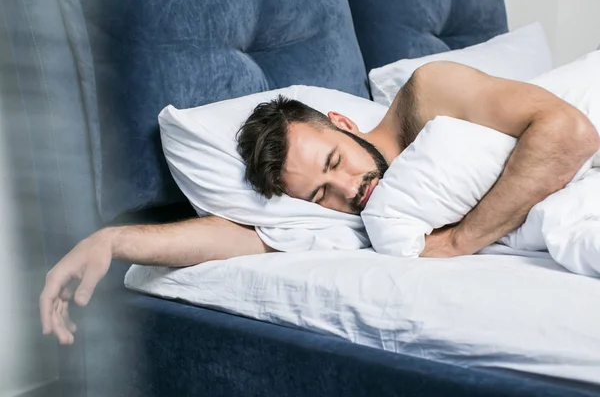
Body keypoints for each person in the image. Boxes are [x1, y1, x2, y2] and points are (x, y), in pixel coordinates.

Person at [40, 61, 600, 344]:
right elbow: (242, 237)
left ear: (343, 123)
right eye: (319, 194)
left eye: (335, 162)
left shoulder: (428, 94)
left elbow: (570, 132)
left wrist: (459, 241)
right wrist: (112, 239)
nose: (347, 190)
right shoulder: (353, 215)